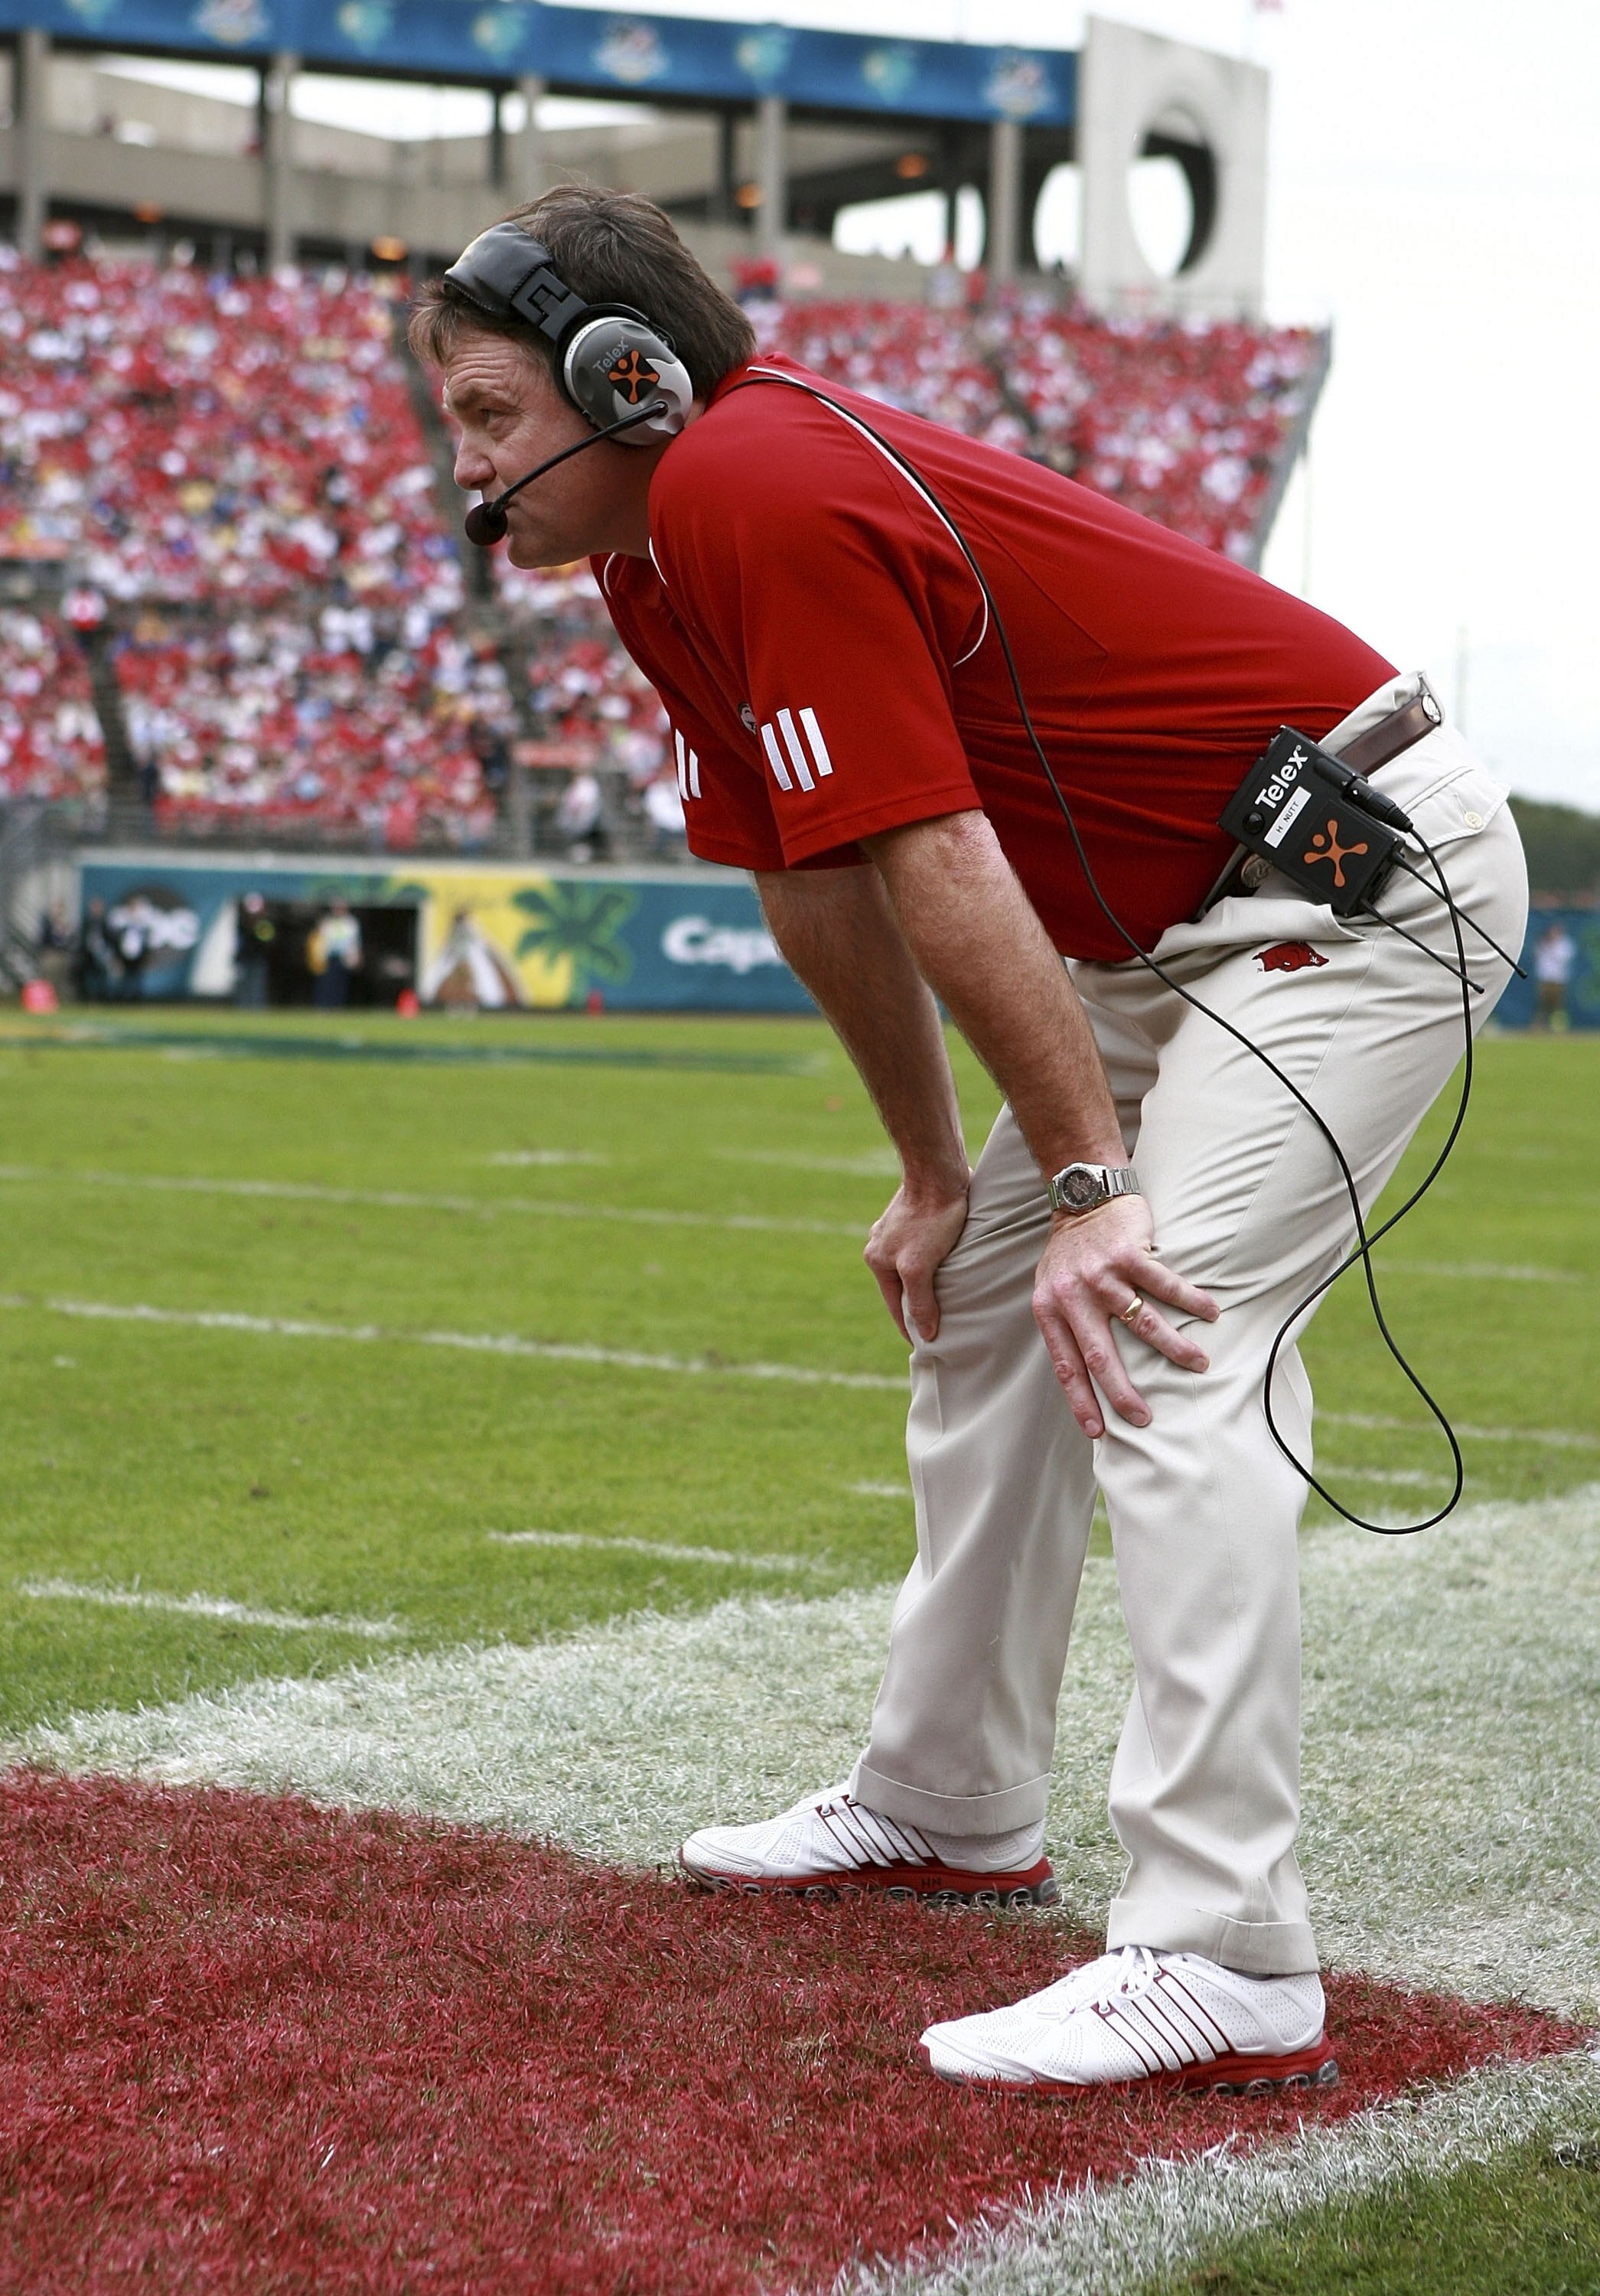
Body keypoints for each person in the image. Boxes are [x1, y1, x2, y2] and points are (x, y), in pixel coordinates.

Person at [413, 190, 1529, 2096]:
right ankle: (946, 1799)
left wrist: (1094, 1182)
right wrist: (948, 1178)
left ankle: (1221, 1943)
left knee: (1165, 1332)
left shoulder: (748, 489)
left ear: (628, 380)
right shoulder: (654, 562)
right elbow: (810, 878)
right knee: (990, 1296)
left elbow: (931, 849)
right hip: (1174, 911)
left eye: (494, 413)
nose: (470, 466)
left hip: (1341, 881)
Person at [308, 898, 362, 1009]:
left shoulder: (351, 922)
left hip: (344, 956)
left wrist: (356, 955)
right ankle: (324, 1005)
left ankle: (339, 1005)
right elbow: (321, 939)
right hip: (329, 956)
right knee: (327, 982)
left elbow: (355, 941)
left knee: (341, 982)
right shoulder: (328, 922)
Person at [1532, 919, 1577, 1032]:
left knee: (1558, 1005)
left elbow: (1563, 958)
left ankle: (1558, 1026)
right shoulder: (1542, 943)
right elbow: (1537, 957)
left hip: (1559, 979)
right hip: (1545, 978)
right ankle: (1539, 1026)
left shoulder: (1565, 944)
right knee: (1542, 1004)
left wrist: (1552, 946)